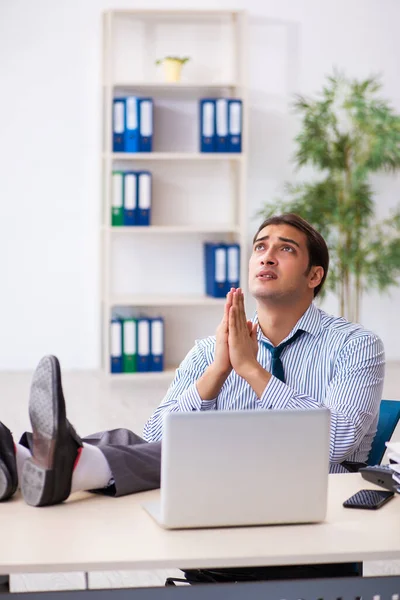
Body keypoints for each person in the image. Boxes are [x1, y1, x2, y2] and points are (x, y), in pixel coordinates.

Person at [0, 213, 385, 507]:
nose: (267, 256)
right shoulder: (210, 351)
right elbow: (152, 439)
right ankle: (25, 459)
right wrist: (217, 372)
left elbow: (336, 441)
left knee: (192, 449)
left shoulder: (356, 346)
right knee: (123, 439)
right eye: (260, 246)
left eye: (285, 249)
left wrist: (251, 369)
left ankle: (43, 461)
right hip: (217, 498)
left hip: (309, 501)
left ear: (314, 275)